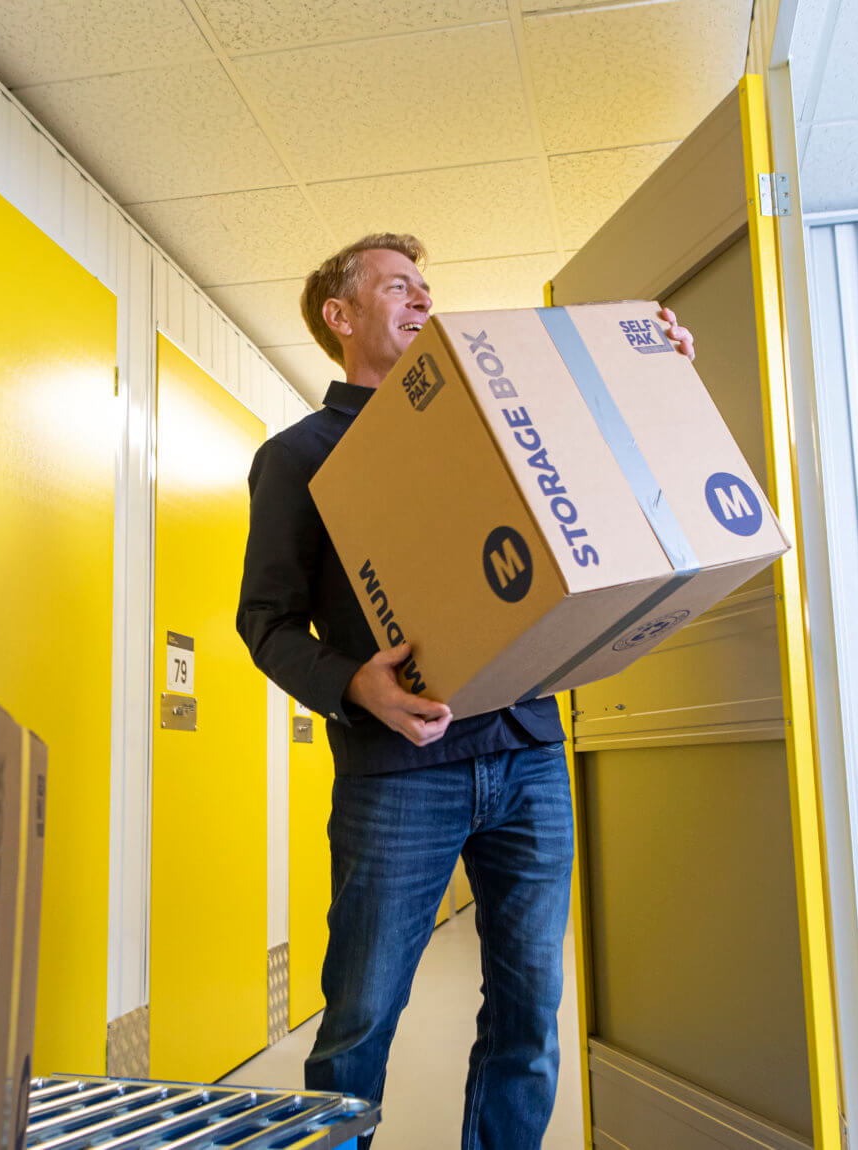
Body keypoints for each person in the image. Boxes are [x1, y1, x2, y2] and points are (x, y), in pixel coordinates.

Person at [236, 233, 695, 1150]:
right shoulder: (300, 457)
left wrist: (656, 372)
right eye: (399, 287)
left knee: (530, 1015)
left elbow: (596, 450)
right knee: (360, 1019)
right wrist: (353, 686)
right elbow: (266, 625)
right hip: (400, 769)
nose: (422, 300)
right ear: (341, 315)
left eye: (427, 288)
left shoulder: (484, 421)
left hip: (528, 755)